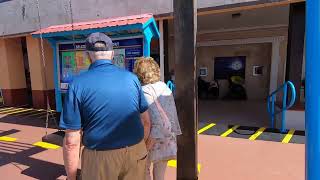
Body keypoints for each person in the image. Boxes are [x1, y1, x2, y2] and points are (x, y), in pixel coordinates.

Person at [59, 32, 151, 180]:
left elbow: (71, 141)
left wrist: (71, 177)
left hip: (100, 158)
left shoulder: (77, 84)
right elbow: (146, 122)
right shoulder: (132, 79)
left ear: (88, 56)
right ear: (113, 54)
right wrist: (139, 149)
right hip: (136, 152)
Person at [133, 57, 182, 180]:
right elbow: (172, 114)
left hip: (152, 139)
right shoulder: (163, 86)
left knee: (144, 172)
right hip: (167, 139)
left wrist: (145, 147)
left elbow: (156, 123)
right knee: (160, 176)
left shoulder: (144, 91)